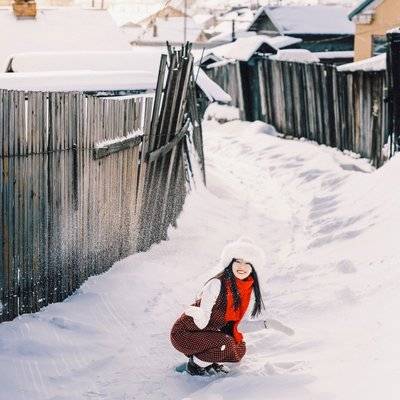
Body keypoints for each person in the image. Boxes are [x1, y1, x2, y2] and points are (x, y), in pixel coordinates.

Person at [170, 236, 294, 376]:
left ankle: (208, 361)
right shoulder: (217, 284)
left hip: (205, 333)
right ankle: (195, 366)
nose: (242, 266)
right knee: (225, 343)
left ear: (253, 268)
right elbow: (203, 321)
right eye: (238, 261)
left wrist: (267, 324)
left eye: (248, 263)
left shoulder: (247, 291)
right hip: (186, 332)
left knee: (238, 348)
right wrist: (197, 313)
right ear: (230, 263)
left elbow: (241, 326)